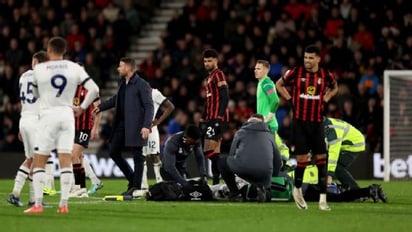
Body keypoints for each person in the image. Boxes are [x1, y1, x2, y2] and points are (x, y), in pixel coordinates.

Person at [24, 36, 99, 214]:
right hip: (67, 116)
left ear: (49, 50)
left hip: (48, 115)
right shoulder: (73, 67)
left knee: (40, 160)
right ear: (64, 51)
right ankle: (63, 204)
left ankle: (38, 204)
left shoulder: (41, 69)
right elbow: (94, 89)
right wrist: (82, 107)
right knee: (66, 160)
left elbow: (34, 93)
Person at [275, 45, 338, 211]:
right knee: (302, 160)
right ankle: (297, 189)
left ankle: (323, 200)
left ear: (318, 59)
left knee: (321, 160)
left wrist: (326, 98)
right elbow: (279, 84)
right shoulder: (296, 72)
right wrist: (290, 99)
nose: (307, 61)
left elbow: (335, 86)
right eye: (305, 58)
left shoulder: (326, 75)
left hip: (317, 122)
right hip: (300, 123)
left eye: (311, 58)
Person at [94, 57, 154, 196]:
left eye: (120, 66)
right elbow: (116, 99)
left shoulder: (141, 84)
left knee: (137, 155)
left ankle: (136, 186)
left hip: (136, 125)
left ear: (128, 68)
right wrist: (101, 107)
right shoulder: (122, 83)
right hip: (121, 124)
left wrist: (146, 125)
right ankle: (132, 179)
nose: (118, 68)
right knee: (113, 151)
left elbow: (149, 106)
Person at [7, 51, 49, 207]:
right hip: (36, 122)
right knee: (38, 160)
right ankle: (23, 196)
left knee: (31, 159)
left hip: (24, 120)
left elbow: (24, 102)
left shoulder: (23, 76)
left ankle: (27, 197)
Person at [218, 114, 282, 202]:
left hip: (244, 169)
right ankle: (263, 188)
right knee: (259, 173)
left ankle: (235, 194)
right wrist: (271, 177)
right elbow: (278, 160)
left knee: (222, 161)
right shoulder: (270, 135)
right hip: (265, 173)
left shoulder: (240, 132)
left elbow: (231, 154)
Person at [200, 48, 230, 185]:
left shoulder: (219, 75)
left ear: (216, 61)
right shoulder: (209, 77)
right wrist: (202, 117)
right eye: (205, 61)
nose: (207, 63)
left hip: (218, 119)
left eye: (209, 61)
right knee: (215, 152)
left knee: (208, 150)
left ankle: (229, 169)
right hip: (211, 118)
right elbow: (208, 100)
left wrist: (218, 117)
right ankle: (217, 184)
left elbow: (225, 96)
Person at [69, 81, 103, 198]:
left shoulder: (91, 89)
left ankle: (79, 188)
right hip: (73, 128)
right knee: (78, 157)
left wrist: (95, 128)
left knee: (74, 155)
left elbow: (98, 110)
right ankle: (82, 189)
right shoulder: (72, 88)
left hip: (85, 128)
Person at [254, 59, 290, 162]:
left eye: (259, 69)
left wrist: (269, 116)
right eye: (255, 68)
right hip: (265, 124)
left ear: (266, 70)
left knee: (268, 153)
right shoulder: (262, 82)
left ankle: (284, 163)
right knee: (268, 151)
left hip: (268, 124)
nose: (255, 70)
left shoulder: (266, 83)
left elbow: (275, 100)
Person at [141, 88, 175, 190]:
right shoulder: (134, 93)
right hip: (139, 128)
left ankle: (159, 181)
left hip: (151, 128)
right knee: (141, 156)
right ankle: (144, 185)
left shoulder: (154, 93)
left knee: (154, 155)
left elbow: (170, 107)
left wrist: (159, 121)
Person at [324, 117, 365, 190]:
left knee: (337, 167)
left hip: (355, 144)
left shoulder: (333, 131)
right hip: (346, 142)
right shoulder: (326, 124)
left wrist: (329, 175)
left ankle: (355, 191)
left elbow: (334, 154)